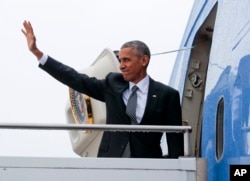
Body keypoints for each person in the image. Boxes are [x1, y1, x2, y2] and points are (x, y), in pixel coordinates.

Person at [21, 20, 184, 158]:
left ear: (144, 60)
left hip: (149, 170)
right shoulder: (112, 84)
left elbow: (176, 144)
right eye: (120, 60)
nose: (121, 66)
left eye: (126, 60)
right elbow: (75, 79)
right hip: (110, 166)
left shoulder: (167, 95)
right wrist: (38, 54)